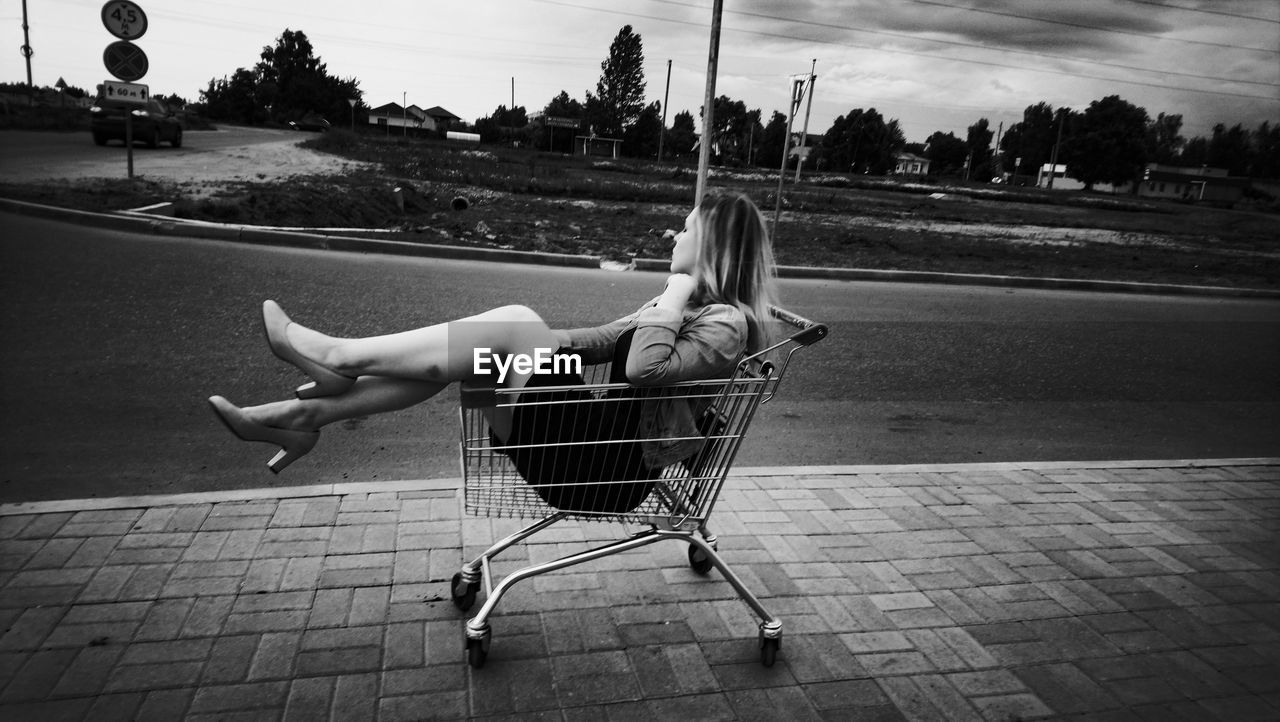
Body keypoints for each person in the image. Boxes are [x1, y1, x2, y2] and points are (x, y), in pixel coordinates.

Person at [209, 193, 778, 510]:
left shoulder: (724, 324)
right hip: (576, 446)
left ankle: (337, 358)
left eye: (684, 231)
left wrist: (673, 297)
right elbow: (604, 341)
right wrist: (533, 343)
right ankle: (306, 417)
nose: (672, 239)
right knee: (484, 348)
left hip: (603, 471)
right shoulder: (679, 307)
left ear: (713, 248)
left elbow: (642, 368)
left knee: (511, 325)